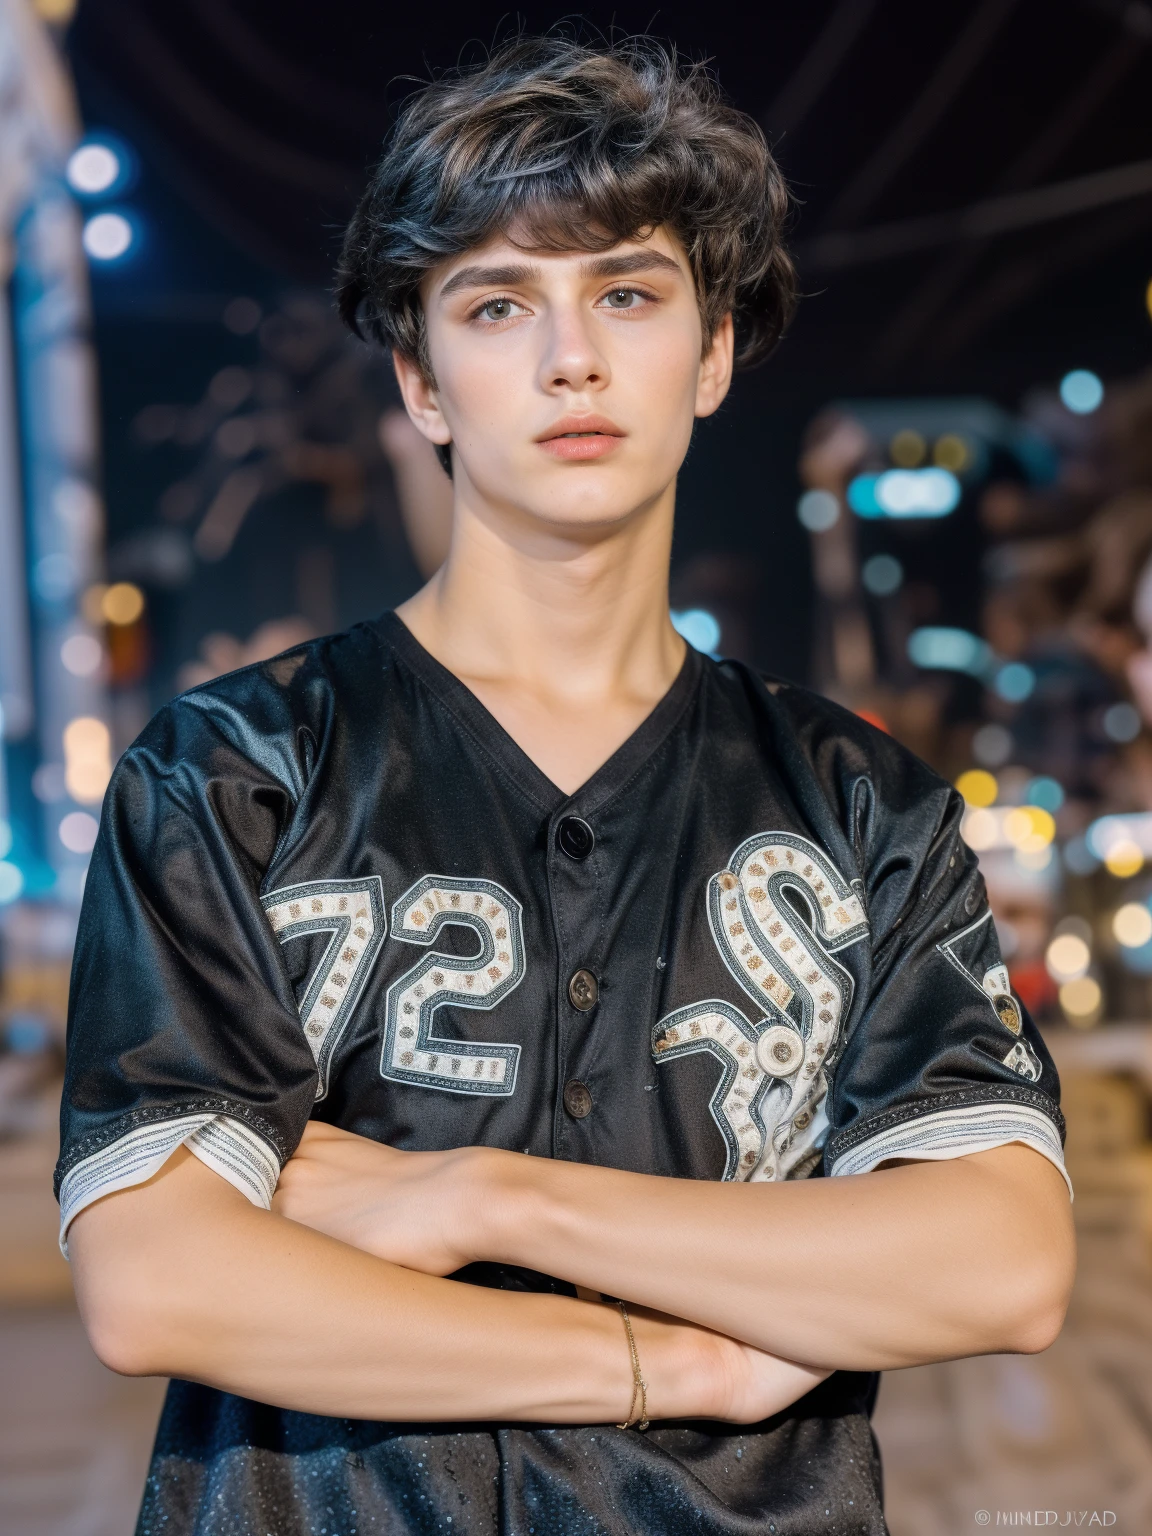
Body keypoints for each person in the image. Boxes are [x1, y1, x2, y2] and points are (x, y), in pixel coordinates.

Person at [60, 36, 1075, 1536]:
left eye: (626, 293)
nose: (569, 360)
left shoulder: (863, 801)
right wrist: (655, 1361)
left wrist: (480, 1197)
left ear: (713, 351)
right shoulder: (230, 772)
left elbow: (1002, 1263)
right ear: (422, 379)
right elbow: (158, 1285)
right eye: (494, 304)